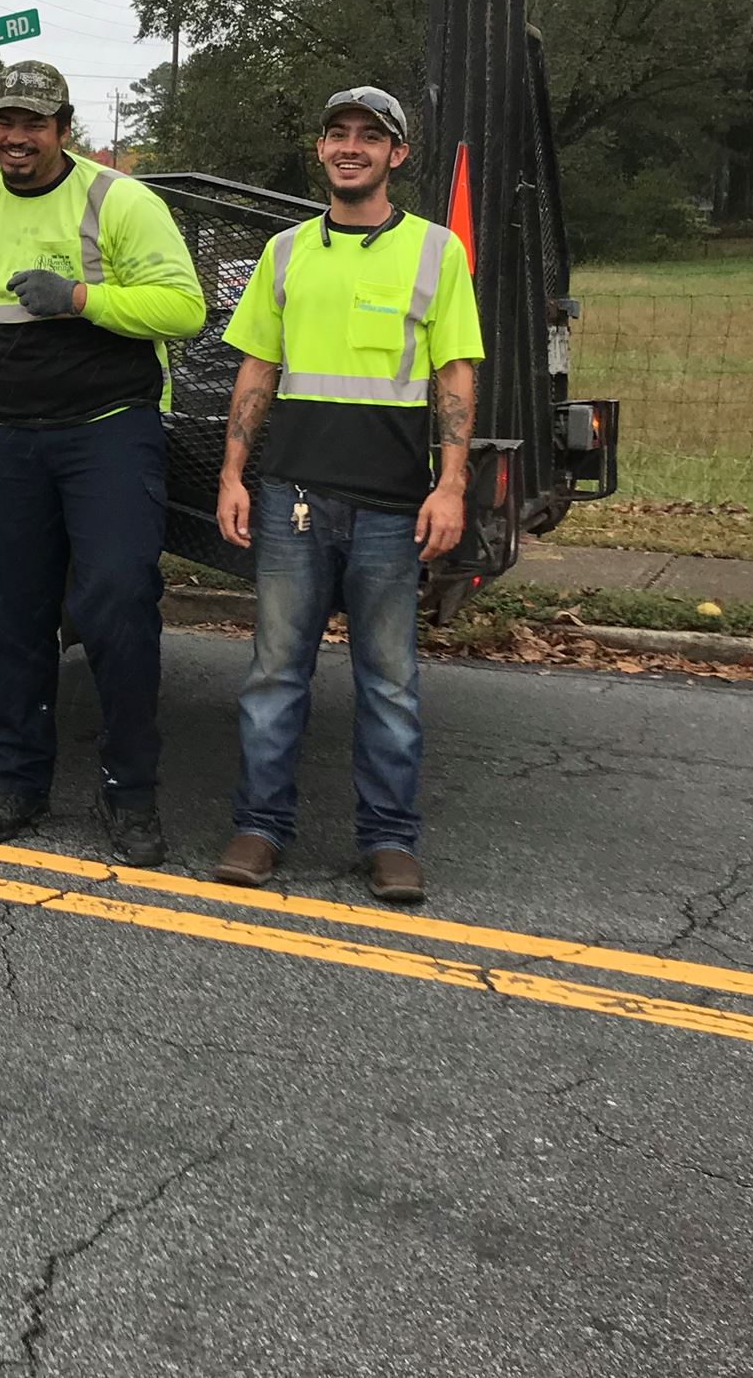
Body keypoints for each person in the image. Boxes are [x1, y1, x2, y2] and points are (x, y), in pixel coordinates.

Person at [0, 60, 206, 855]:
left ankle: (131, 793)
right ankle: (18, 783)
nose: (16, 137)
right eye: (5, 122)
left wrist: (80, 298)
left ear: (63, 131)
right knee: (11, 613)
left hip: (108, 427)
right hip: (4, 433)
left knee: (116, 600)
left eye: (34, 124)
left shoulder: (118, 200)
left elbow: (185, 307)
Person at [211, 85, 483, 905]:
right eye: (338, 135)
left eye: (371, 136)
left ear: (398, 155)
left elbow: (454, 374)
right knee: (273, 674)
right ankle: (259, 828)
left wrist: (451, 486)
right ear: (323, 151)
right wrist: (233, 472)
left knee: (390, 681)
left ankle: (390, 841)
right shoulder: (286, 252)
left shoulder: (438, 253)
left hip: (393, 505)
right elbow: (258, 367)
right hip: (294, 496)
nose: (351, 147)